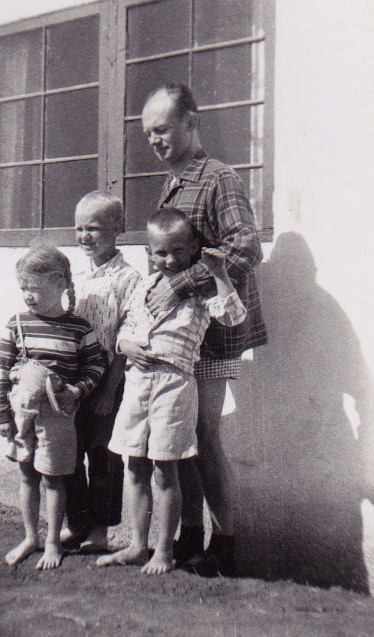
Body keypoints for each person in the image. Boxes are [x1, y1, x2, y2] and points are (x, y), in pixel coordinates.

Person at [141, 82, 268, 576]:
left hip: (214, 333)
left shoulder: (218, 179)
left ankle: (226, 544)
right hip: (180, 336)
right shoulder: (174, 182)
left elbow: (246, 249)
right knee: (180, 435)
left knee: (204, 436)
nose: (155, 139)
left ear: (192, 123)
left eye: (164, 128)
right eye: (149, 132)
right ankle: (191, 534)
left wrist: (179, 287)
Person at [96, 208, 247, 575]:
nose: (169, 259)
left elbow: (232, 316)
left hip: (174, 384)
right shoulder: (144, 286)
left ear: (194, 247)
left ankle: (164, 550)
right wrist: (124, 347)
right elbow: (126, 328)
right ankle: (137, 545)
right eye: (160, 252)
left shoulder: (198, 291)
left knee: (166, 469)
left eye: (178, 251)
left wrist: (219, 272)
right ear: (149, 252)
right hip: (136, 382)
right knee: (134, 465)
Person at [0, 247, 106, 570]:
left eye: (35, 288)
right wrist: (3, 415)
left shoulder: (79, 329)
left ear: (59, 284)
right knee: (26, 474)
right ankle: (31, 537)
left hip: (59, 417)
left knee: (53, 479)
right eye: (24, 289)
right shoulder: (16, 324)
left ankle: (54, 541)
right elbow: (2, 372)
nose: (28, 296)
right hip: (23, 416)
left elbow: (96, 366)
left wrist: (77, 390)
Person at [61, 191, 140, 552]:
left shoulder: (129, 278)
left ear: (117, 228)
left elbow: (126, 336)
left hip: (110, 380)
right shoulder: (74, 276)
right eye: (78, 228)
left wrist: (109, 389)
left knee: (104, 455)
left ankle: (100, 529)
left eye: (93, 228)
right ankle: (76, 522)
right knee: (70, 451)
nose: (84, 236)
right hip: (75, 381)